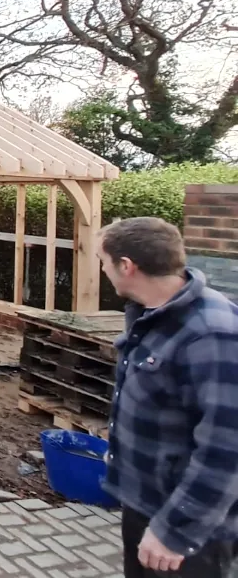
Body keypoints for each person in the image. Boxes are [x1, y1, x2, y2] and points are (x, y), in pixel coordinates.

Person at [97, 217, 238, 577]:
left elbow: (227, 449)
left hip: (187, 530)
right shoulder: (151, 316)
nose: (101, 268)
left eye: (103, 260)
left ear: (126, 266)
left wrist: (176, 532)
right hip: (147, 503)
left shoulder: (212, 334)